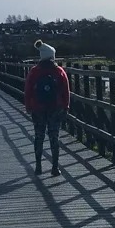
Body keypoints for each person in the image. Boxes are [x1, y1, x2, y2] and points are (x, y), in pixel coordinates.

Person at [24, 40, 70, 176]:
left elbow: (28, 90)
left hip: (37, 108)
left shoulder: (34, 71)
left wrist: (28, 106)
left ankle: (38, 166)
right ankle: (55, 168)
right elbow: (66, 90)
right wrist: (66, 106)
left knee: (39, 136)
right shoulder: (59, 71)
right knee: (54, 137)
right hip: (55, 107)